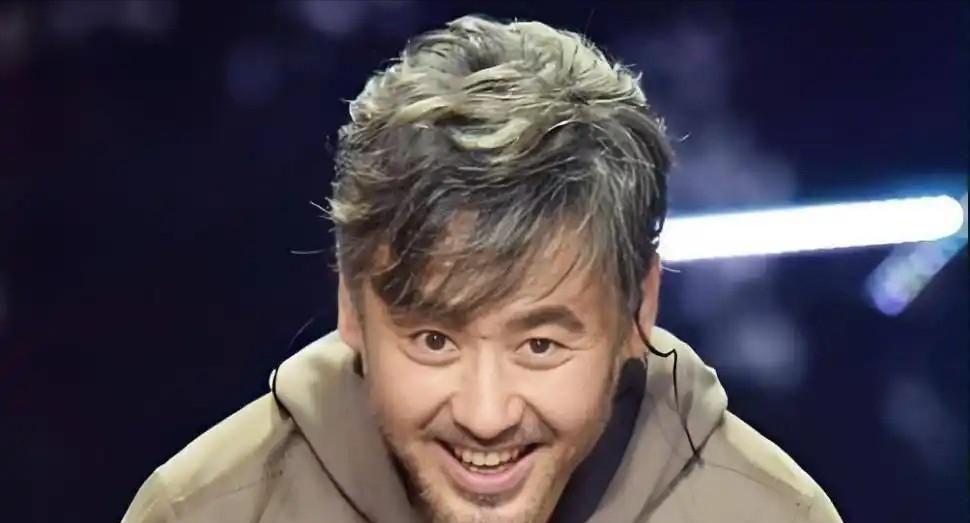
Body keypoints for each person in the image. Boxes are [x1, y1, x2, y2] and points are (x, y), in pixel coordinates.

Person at [122, 15, 842, 523]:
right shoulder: (201, 511)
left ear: (638, 309)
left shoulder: (773, 513)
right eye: (434, 339)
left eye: (540, 345)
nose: (485, 415)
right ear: (351, 305)